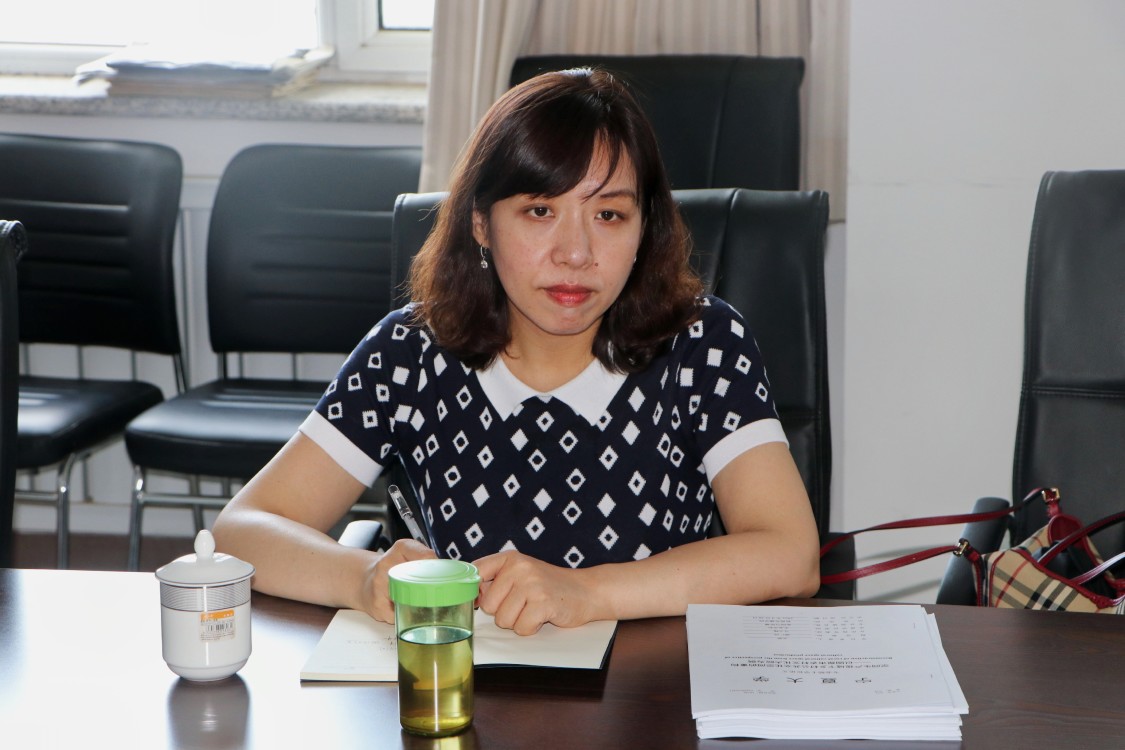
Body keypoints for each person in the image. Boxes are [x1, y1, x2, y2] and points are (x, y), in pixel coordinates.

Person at [212, 68, 820, 636]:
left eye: (609, 214)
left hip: (650, 690)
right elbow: (241, 531)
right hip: (465, 688)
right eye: (540, 210)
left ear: (645, 228)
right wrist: (363, 577)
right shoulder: (410, 354)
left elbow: (790, 553)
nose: (575, 253)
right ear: (481, 222)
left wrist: (588, 593)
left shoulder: (702, 344)